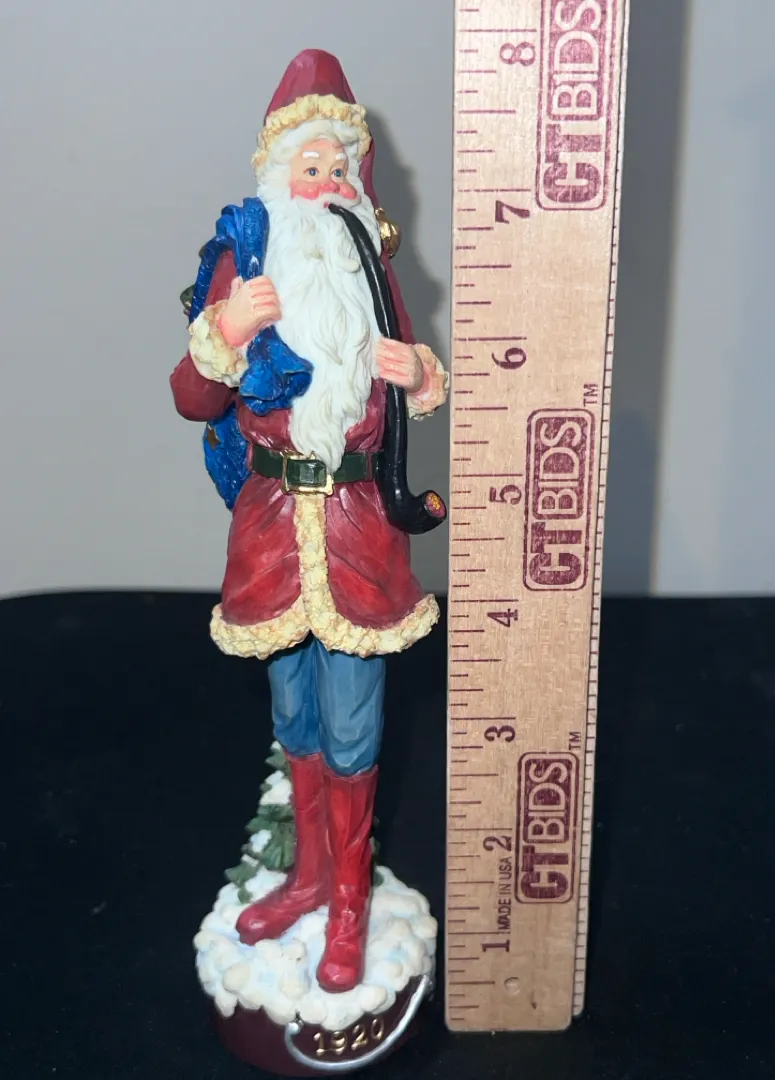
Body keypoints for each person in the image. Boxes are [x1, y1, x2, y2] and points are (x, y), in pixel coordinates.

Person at [170, 49, 447, 994]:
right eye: (310, 165)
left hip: (361, 525)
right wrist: (229, 331)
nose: (326, 180)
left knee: (354, 719)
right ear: (277, 175)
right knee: (293, 708)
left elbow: (413, 368)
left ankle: (353, 898)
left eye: (339, 165)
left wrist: (417, 373)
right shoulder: (244, 266)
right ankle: (311, 875)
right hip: (273, 528)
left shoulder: (369, 265)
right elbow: (193, 399)